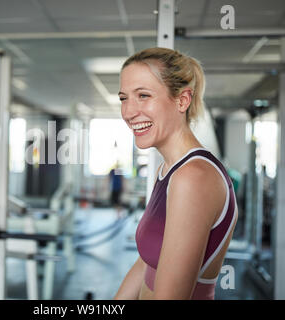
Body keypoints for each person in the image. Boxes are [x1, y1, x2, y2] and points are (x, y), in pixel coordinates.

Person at [113, 48, 238, 300]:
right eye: (124, 98)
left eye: (143, 95)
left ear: (182, 100)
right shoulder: (170, 169)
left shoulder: (193, 177)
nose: (128, 112)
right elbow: (148, 261)